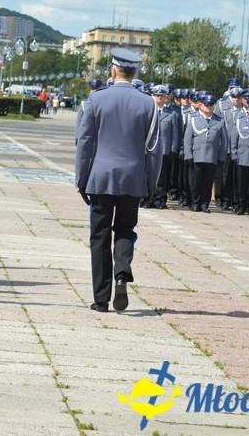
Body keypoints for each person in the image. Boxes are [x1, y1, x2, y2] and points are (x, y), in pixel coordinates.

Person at [75, 48, 159, 313]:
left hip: (100, 177)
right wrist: (151, 185)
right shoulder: (149, 103)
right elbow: (154, 149)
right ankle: (122, 272)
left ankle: (101, 299)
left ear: (113, 70)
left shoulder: (95, 100)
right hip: (133, 178)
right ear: (135, 73)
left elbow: (85, 143)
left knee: (99, 236)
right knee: (125, 229)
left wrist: (81, 179)